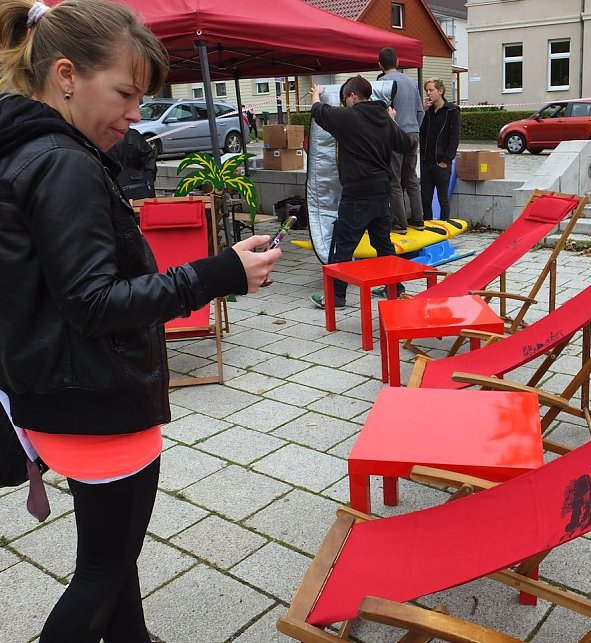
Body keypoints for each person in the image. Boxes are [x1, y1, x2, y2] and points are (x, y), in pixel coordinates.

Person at [0, 2, 282, 642]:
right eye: (126, 94)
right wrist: (220, 275)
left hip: (53, 394)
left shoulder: (23, 150)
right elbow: (94, 303)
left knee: (109, 557)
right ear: (66, 75)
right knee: (102, 569)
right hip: (98, 398)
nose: (134, 118)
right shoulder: (61, 161)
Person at [308, 75, 410, 309]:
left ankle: (335, 298)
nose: (344, 104)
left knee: (343, 245)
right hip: (381, 191)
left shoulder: (349, 117)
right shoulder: (384, 118)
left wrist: (316, 94)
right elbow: (405, 144)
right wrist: (392, 121)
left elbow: (319, 111)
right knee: (383, 243)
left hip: (357, 193)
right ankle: (395, 288)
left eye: (345, 99)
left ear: (353, 96)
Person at [378, 46, 424, 232]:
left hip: (395, 135)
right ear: (397, 62)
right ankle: (418, 220)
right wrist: (415, 130)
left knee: (394, 181)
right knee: (411, 178)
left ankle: (399, 223)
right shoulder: (411, 82)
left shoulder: (382, 83)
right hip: (413, 134)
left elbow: (381, 114)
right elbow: (421, 111)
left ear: (380, 64)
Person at [419, 77, 460, 228]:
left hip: (441, 162)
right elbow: (420, 132)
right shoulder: (427, 111)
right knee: (425, 198)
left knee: (443, 198)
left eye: (431, 90)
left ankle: (444, 226)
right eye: (427, 91)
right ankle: (427, 226)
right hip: (426, 160)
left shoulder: (451, 111)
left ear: (440, 91)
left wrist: (446, 160)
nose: (428, 94)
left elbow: (454, 138)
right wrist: (423, 112)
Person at [105, 127, 157, 201]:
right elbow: (149, 158)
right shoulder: (133, 135)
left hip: (115, 186)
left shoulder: (102, 138)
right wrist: (149, 178)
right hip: (140, 185)